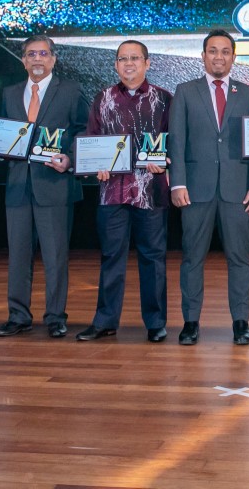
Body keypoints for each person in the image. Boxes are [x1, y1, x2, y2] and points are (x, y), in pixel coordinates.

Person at [0, 35, 86, 339]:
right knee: (18, 256)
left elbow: (83, 130)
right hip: (17, 185)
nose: (37, 59)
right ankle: (18, 315)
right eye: (31, 54)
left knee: (55, 256)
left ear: (53, 58)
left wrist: (70, 158)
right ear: (23, 60)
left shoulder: (71, 91)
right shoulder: (11, 93)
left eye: (43, 54)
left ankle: (55, 317)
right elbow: (2, 134)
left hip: (54, 185)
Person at [168, 29, 249, 346]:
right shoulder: (185, 91)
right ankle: (190, 322)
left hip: (237, 190)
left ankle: (240, 322)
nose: (218, 56)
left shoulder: (248, 93)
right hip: (195, 189)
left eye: (225, 51)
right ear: (203, 56)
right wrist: (177, 182)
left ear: (233, 57)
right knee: (192, 258)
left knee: (240, 258)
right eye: (212, 51)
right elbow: (177, 141)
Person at [75, 40, 172, 343]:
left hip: (151, 191)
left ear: (147, 63)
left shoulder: (165, 99)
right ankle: (105, 321)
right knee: (111, 256)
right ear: (116, 64)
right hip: (112, 191)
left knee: (153, 257)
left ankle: (156, 322)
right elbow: (91, 140)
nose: (129, 64)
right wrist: (95, 165)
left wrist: (166, 161)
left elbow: (175, 142)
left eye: (135, 58)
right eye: (123, 59)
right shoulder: (102, 98)